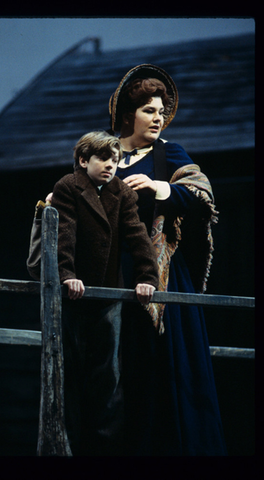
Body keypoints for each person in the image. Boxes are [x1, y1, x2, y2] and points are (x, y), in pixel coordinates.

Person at [107, 64, 227, 455]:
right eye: (149, 110)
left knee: (165, 371)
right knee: (114, 370)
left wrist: (162, 188)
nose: (158, 118)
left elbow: (200, 196)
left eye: (161, 111)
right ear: (128, 114)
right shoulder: (102, 154)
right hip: (112, 273)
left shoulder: (168, 153)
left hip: (160, 274)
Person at [27, 130, 159, 455]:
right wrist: (67, 275)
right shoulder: (68, 186)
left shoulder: (122, 193)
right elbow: (65, 233)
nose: (110, 166)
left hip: (107, 295)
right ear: (84, 160)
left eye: (115, 160)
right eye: (103, 159)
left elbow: (137, 235)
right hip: (74, 297)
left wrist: (146, 277)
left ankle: (103, 451)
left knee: (108, 376)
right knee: (68, 372)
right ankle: (66, 448)